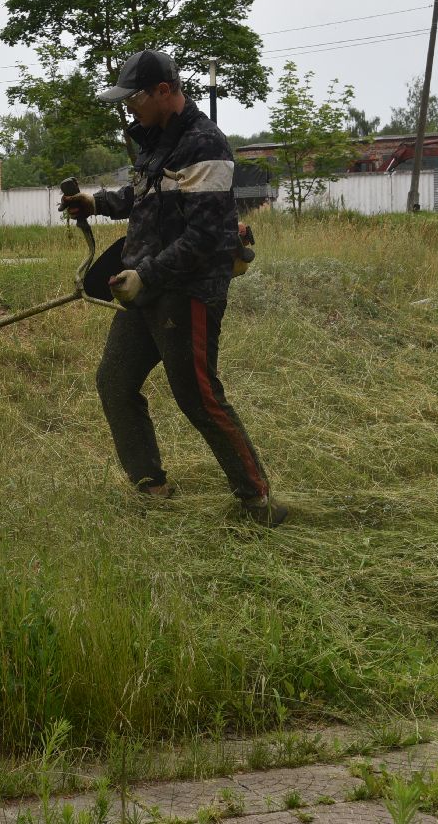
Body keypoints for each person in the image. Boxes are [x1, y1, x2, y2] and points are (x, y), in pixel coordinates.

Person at [60, 49, 287, 526]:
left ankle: (256, 500)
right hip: (144, 286)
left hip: (189, 291)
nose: (129, 109)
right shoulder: (154, 141)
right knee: (115, 383)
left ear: (165, 91)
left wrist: (147, 275)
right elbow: (143, 199)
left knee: (198, 397)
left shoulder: (205, 144)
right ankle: (152, 490)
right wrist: (95, 201)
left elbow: (205, 238)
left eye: (135, 98)